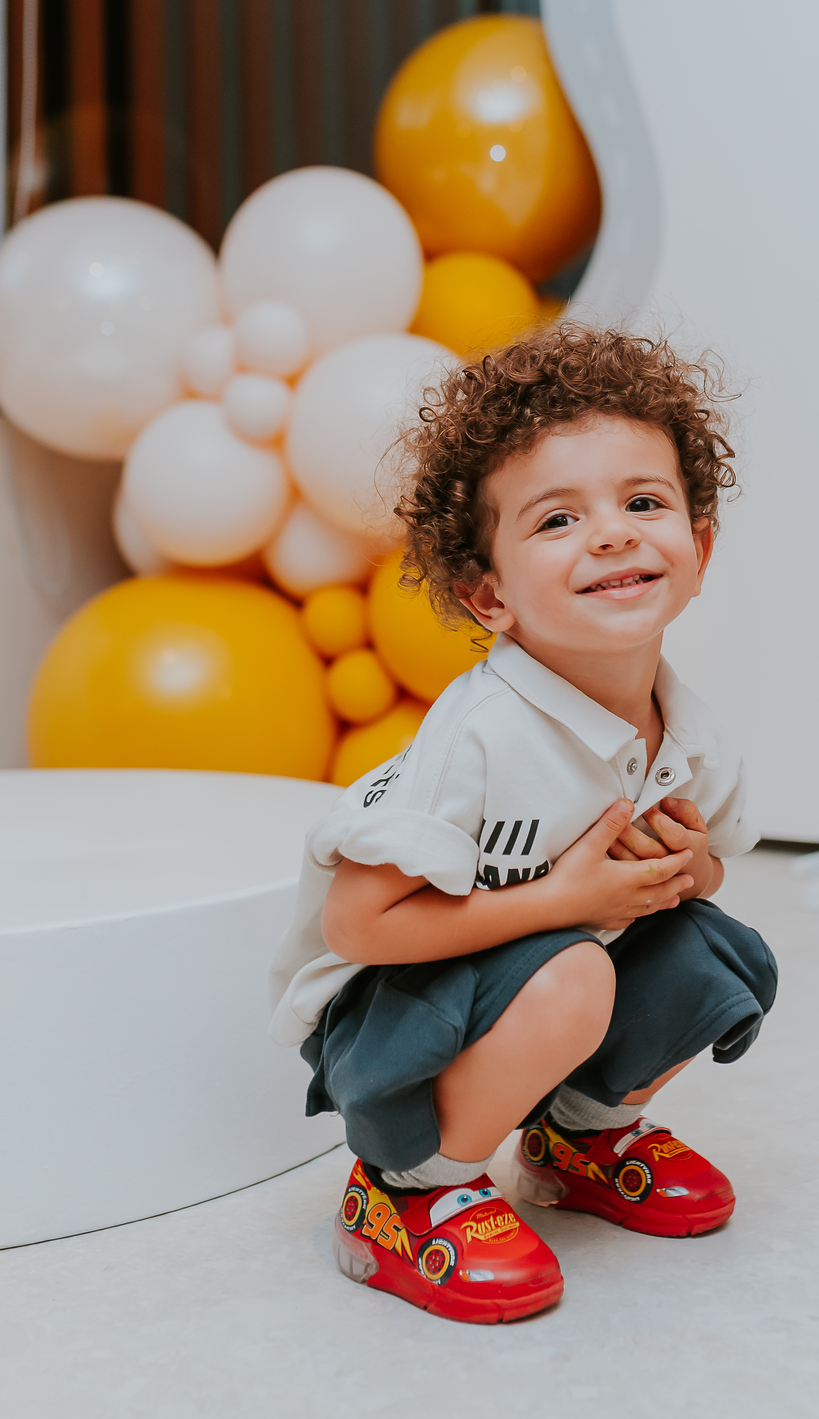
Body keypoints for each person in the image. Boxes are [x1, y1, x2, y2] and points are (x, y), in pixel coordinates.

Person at [268, 322, 777, 1323]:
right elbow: (357, 927)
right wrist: (569, 898)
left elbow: (708, 873)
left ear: (699, 546)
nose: (613, 533)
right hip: (392, 1028)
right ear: (487, 593)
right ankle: (406, 1186)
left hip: (543, 976)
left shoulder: (690, 729)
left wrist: (687, 868)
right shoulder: (483, 736)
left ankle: (576, 1137)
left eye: (644, 502)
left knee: (726, 956)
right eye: (557, 520)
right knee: (575, 968)